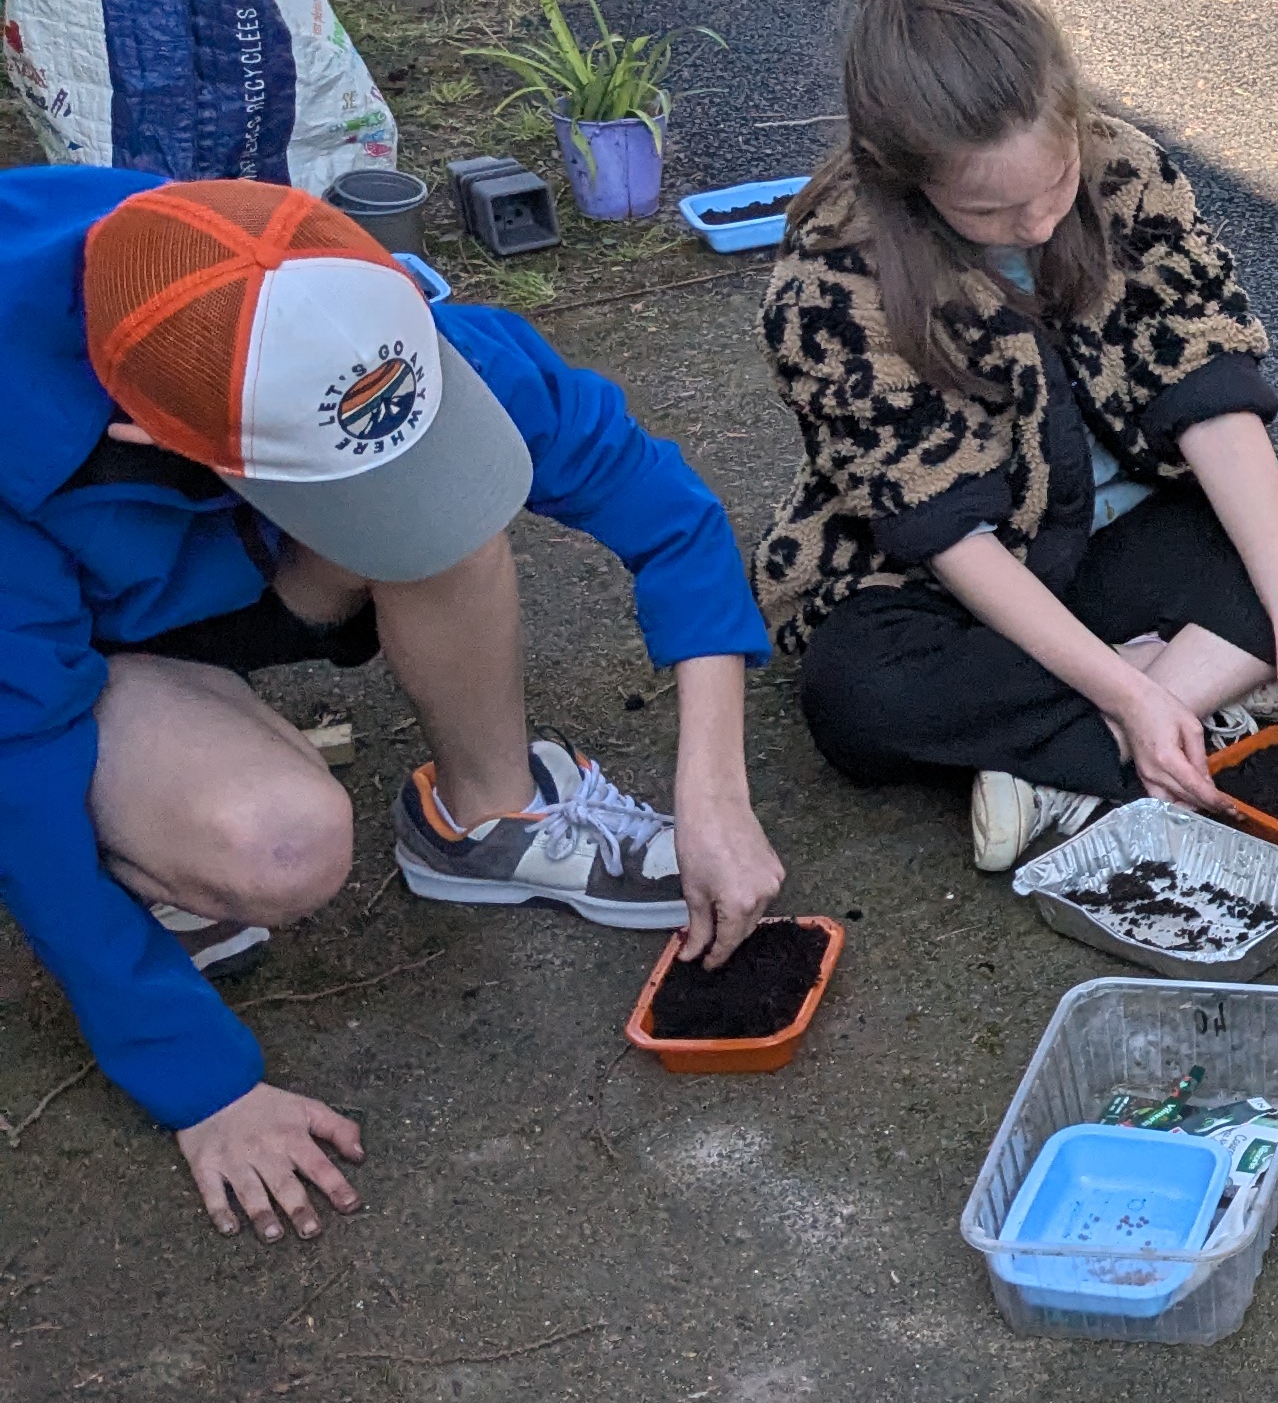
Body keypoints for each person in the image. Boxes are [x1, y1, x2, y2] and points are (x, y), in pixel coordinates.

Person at [0, 171, 784, 1243]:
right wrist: (200, 1086)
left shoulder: (320, 300)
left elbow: (666, 513)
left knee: (450, 505)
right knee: (280, 848)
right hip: (68, 642)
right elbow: (22, 764)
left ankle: (488, 814)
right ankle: (148, 836)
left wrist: (715, 794)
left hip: (231, 557)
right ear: (151, 436)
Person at [756, 0, 1278, 872]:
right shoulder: (831, 282)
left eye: (1055, 184)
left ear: (1073, 117)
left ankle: (1084, 758)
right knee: (853, 693)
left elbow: (1209, 394)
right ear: (901, 174)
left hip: (1128, 546)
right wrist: (1132, 693)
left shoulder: (1126, 169)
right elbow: (947, 534)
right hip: (958, 585)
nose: (1039, 224)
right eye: (989, 211)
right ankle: (1212, 690)